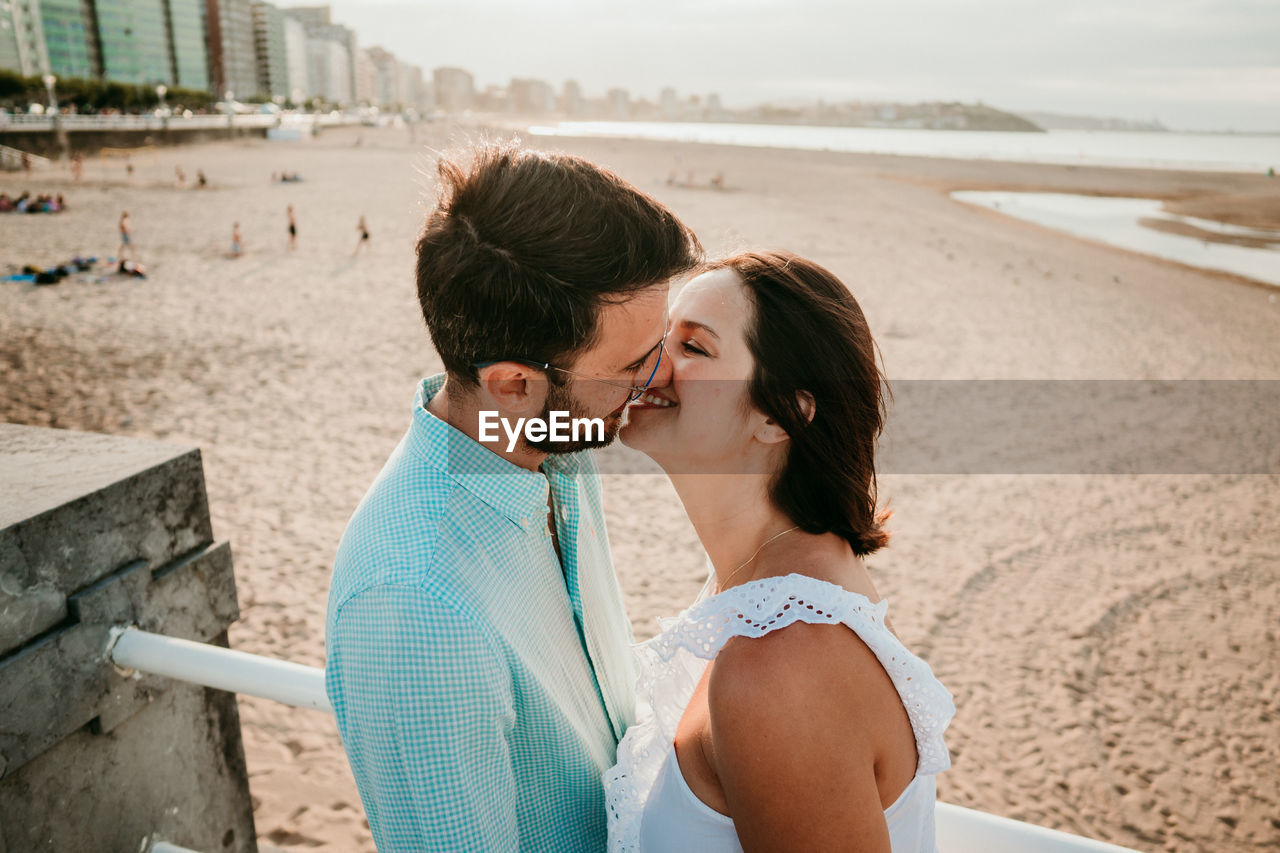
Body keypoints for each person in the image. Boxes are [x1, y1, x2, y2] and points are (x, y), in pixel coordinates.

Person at [325, 140, 701, 851]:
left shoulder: (551, 446)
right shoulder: (416, 607)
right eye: (631, 365)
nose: (656, 379)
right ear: (513, 384)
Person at [605, 251, 955, 852]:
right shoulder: (775, 576)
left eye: (694, 348)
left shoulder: (780, 665)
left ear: (781, 414)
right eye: (662, 337)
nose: (651, 364)